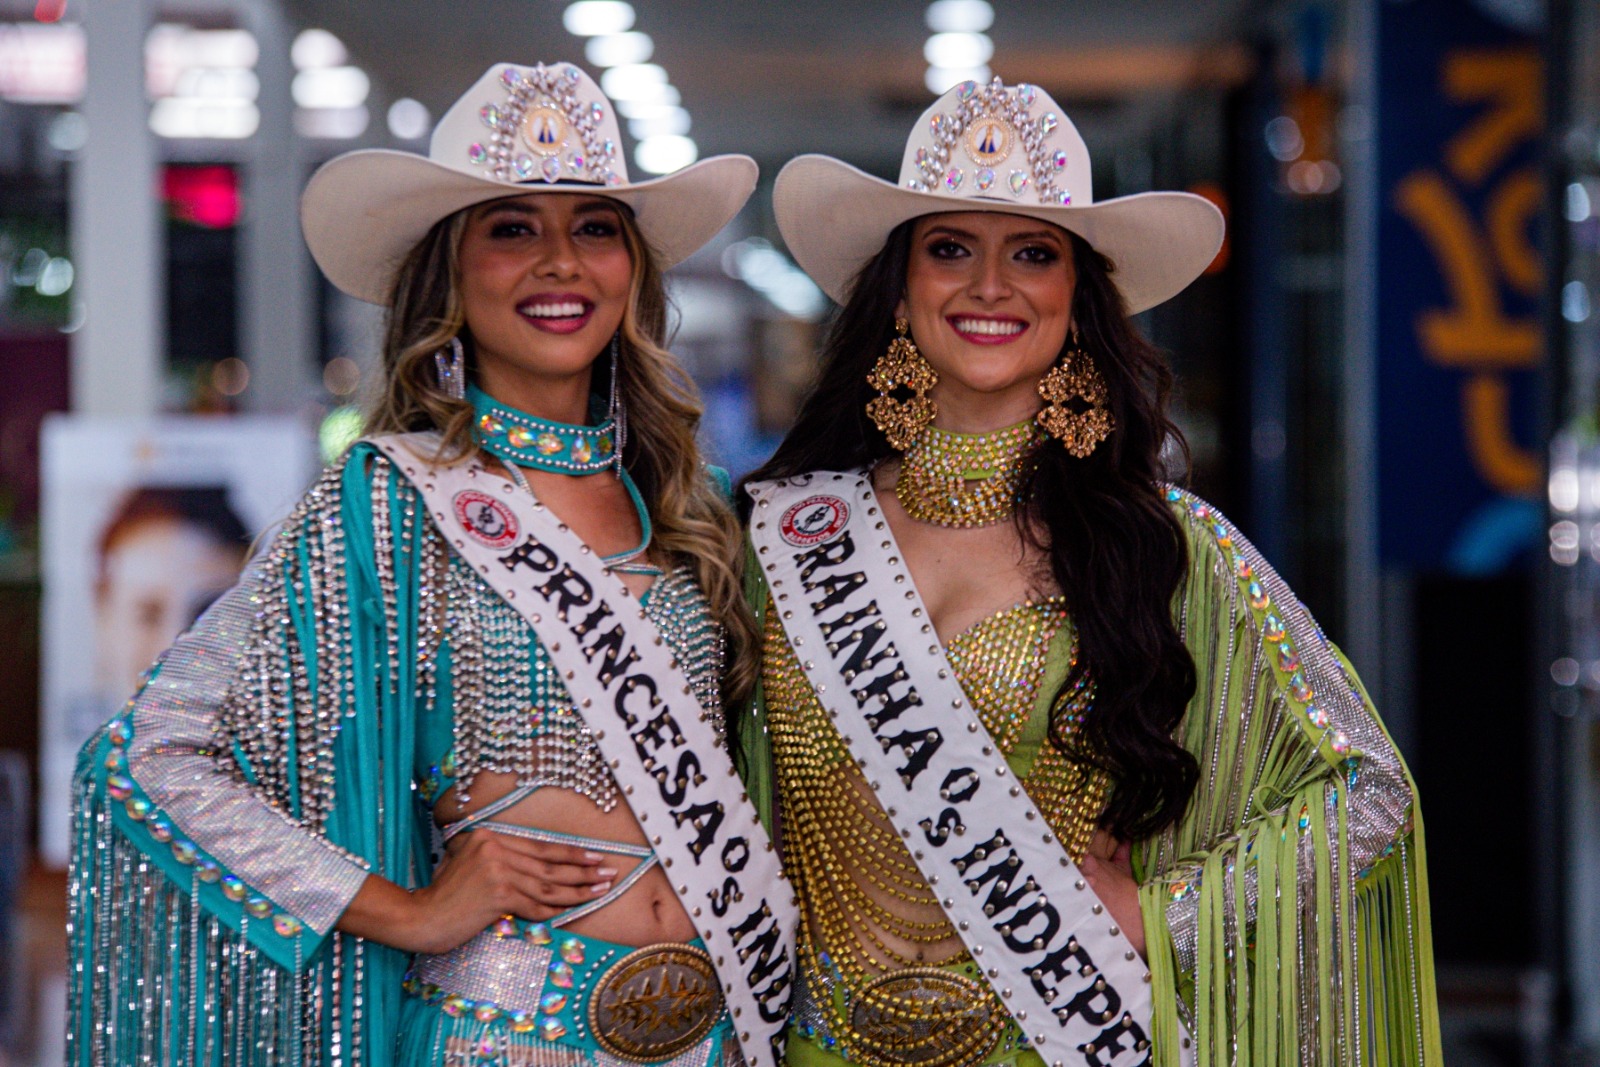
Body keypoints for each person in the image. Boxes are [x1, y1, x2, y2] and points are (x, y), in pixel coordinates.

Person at [68, 62, 794, 1067]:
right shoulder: (389, 499)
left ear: (632, 269)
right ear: (448, 274)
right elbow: (151, 757)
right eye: (509, 228)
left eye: (594, 227)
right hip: (501, 1037)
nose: (559, 262)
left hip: (715, 1036)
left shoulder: (688, 506)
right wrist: (404, 911)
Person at [737, 78, 1439, 1067]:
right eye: (950, 249)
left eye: (1033, 252)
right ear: (898, 292)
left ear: (1077, 300)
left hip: (1062, 1035)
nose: (991, 284)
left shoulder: (1160, 543)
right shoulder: (783, 539)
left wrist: (1169, 916)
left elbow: (1367, 792)